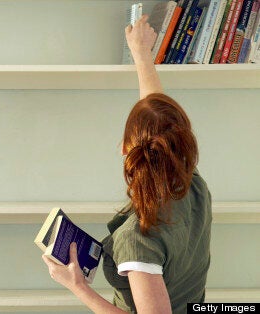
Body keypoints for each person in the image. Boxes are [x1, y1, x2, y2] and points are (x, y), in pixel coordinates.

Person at [41, 15, 212, 314]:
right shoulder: (189, 183)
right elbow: (158, 116)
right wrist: (141, 53)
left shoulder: (139, 240)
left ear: (124, 149)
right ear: (180, 143)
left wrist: (78, 287)